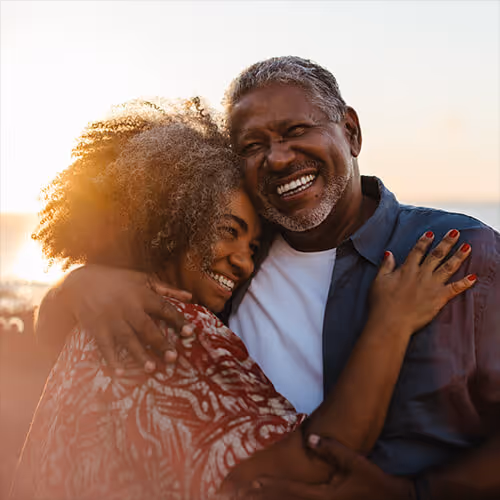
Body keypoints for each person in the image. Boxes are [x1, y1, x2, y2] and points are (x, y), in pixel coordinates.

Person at [34, 57, 500, 500]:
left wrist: (418, 494)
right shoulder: (219, 270)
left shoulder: (461, 253)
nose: (277, 158)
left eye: (296, 130)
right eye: (252, 147)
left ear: (351, 132)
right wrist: (77, 283)